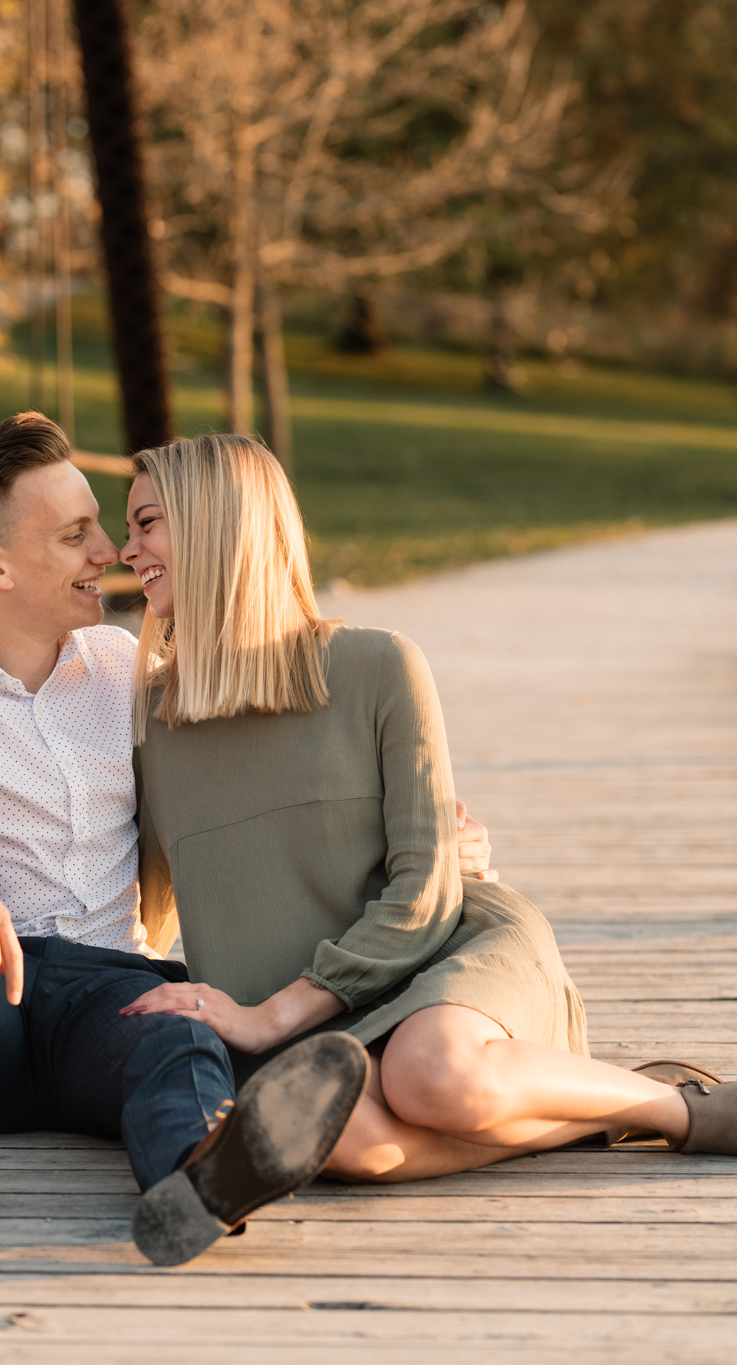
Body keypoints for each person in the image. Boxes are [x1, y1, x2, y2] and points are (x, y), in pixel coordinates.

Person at [0, 413, 370, 1266]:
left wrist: (407, 821)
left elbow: (266, 756)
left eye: (102, 524)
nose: (110, 549)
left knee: (180, 1027)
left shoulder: (120, 665)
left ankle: (201, 1174)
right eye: (74, 535)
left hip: (109, 994)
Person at [119, 432, 737, 1185]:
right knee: (342, 1144)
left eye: (146, 524)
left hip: (441, 955)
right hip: (311, 1023)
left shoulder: (377, 666)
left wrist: (273, 1016)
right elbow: (144, 916)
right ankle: (592, 1113)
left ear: (215, 524)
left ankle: (681, 1108)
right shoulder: (154, 720)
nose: (127, 551)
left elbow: (424, 893)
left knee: (429, 1073)